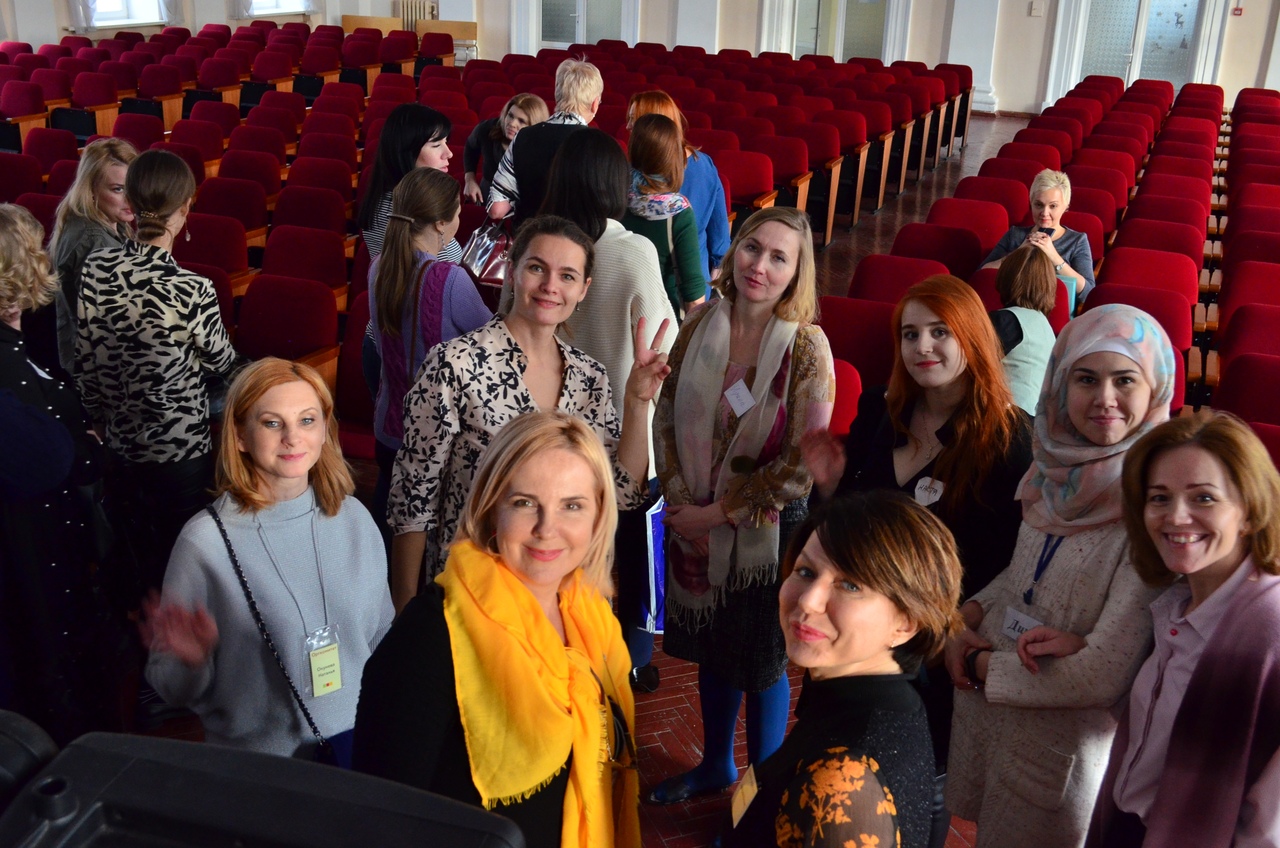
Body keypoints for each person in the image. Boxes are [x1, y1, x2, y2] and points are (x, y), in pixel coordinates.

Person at [801, 274, 1033, 848]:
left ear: (971, 338)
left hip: (937, 648)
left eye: (939, 332)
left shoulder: (1010, 440)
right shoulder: (882, 409)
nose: (922, 347)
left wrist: (957, 622)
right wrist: (829, 486)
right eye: (910, 334)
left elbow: (1012, 562)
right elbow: (851, 529)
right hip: (856, 638)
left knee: (915, 791)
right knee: (834, 777)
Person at [943, 304, 1176, 848]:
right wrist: (965, 617)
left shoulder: (1154, 506)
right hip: (994, 722)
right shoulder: (1053, 471)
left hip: (1056, 747)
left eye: (1125, 380)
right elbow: (1023, 570)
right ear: (1058, 384)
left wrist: (978, 666)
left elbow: (1102, 671)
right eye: (1085, 379)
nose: (1104, 398)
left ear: (1157, 387)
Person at [355, 411, 640, 848]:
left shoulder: (590, 614)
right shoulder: (431, 634)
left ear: (599, 515)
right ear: (491, 510)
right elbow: (381, 819)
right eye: (524, 503)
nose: (547, 529)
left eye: (572, 505)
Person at [386, 214, 670, 612]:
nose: (551, 286)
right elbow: (413, 502)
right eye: (537, 268)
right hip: (475, 596)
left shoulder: (590, 377)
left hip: (565, 598)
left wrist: (637, 402)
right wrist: (405, 611)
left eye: (567, 276)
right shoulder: (454, 364)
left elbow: (622, 493)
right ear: (513, 270)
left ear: (583, 289)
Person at [648, 206, 835, 804]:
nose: (760, 265)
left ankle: (760, 795)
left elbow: (800, 466)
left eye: (780, 257)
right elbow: (664, 414)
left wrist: (714, 514)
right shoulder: (701, 322)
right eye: (753, 248)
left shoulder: (807, 347)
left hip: (767, 532)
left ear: (797, 272)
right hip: (693, 515)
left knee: (760, 661)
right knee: (712, 647)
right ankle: (715, 767)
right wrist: (681, 500)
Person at [143, 358, 394, 757]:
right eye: (272, 423)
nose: (293, 438)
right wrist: (190, 662)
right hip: (261, 761)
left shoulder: (354, 518)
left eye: (307, 420)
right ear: (240, 436)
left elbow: (381, 636)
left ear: (325, 430)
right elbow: (171, 688)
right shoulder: (205, 543)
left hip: (358, 743)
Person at [723, 491, 964, 848]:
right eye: (806, 572)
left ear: (906, 623)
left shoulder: (843, 785)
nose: (808, 601)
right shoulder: (875, 697)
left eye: (850, 585)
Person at [1089, 412, 1280, 847]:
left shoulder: (1270, 630)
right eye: (1159, 498)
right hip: (1129, 828)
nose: (1176, 517)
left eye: (1204, 498)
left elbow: (1270, 827)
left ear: (1249, 512)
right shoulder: (1175, 603)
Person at [536, 128, 678, 691]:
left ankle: (568, 654)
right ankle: (631, 665)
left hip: (556, 437)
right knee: (633, 561)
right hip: (624, 435)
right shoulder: (632, 250)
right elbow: (664, 340)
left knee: (567, 558)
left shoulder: (539, 246)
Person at [76, 149, 241, 594]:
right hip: (178, 454)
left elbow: (86, 362)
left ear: (130, 202)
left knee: (138, 564)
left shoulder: (96, 269)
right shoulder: (192, 289)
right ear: (185, 208)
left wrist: (100, 422)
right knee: (181, 568)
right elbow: (222, 363)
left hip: (120, 446)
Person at [0, 204, 124, 746]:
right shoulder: (5, 363)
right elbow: (51, 459)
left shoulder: (18, 345)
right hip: (32, 555)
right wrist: (88, 447)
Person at [368, 166, 491, 545]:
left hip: (389, 426)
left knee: (389, 522)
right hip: (435, 436)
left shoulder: (378, 266)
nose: (459, 218)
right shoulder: (449, 279)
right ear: (440, 223)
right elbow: (492, 344)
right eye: (457, 212)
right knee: (426, 539)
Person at [47, 137, 138, 376]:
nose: (130, 199)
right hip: (101, 371)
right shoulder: (96, 242)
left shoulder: (97, 220)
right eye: (118, 189)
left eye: (133, 186)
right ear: (91, 190)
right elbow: (111, 327)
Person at [627, 90, 730, 287]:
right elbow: (719, 233)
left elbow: (718, 229)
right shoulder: (704, 163)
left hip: (674, 280)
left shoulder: (637, 171)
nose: (628, 126)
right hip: (669, 276)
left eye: (633, 120)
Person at [487, 59, 602, 226]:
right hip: (575, 238)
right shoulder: (599, 145)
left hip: (528, 235)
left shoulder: (523, 137)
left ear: (557, 95)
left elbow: (496, 209)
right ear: (594, 104)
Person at [621, 113, 707, 318]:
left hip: (618, 309)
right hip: (661, 318)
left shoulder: (615, 197)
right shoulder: (678, 211)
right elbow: (693, 294)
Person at [982, 169, 1094, 313]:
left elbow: (1088, 293)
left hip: (1053, 314)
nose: (1044, 213)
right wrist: (1019, 252)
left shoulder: (1077, 241)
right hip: (1010, 310)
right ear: (1031, 203)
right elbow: (982, 273)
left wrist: (1054, 257)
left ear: (1065, 206)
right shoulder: (1015, 234)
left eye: (1053, 206)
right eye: (1039, 205)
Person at [358, 103, 459, 261]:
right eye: (436, 145)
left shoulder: (383, 200)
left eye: (446, 142)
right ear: (407, 152)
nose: (449, 153)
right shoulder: (406, 213)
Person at [988, 245, 1057, 414]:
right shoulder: (1045, 325)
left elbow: (968, 365)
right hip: (1034, 416)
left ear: (1006, 277)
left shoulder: (1005, 321)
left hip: (1007, 416)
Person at [463, 93, 549, 205]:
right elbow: (470, 147)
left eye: (521, 121)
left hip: (524, 202)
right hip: (487, 194)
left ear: (534, 126)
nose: (512, 123)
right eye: (510, 116)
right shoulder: (487, 128)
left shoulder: (543, 148)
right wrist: (470, 180)